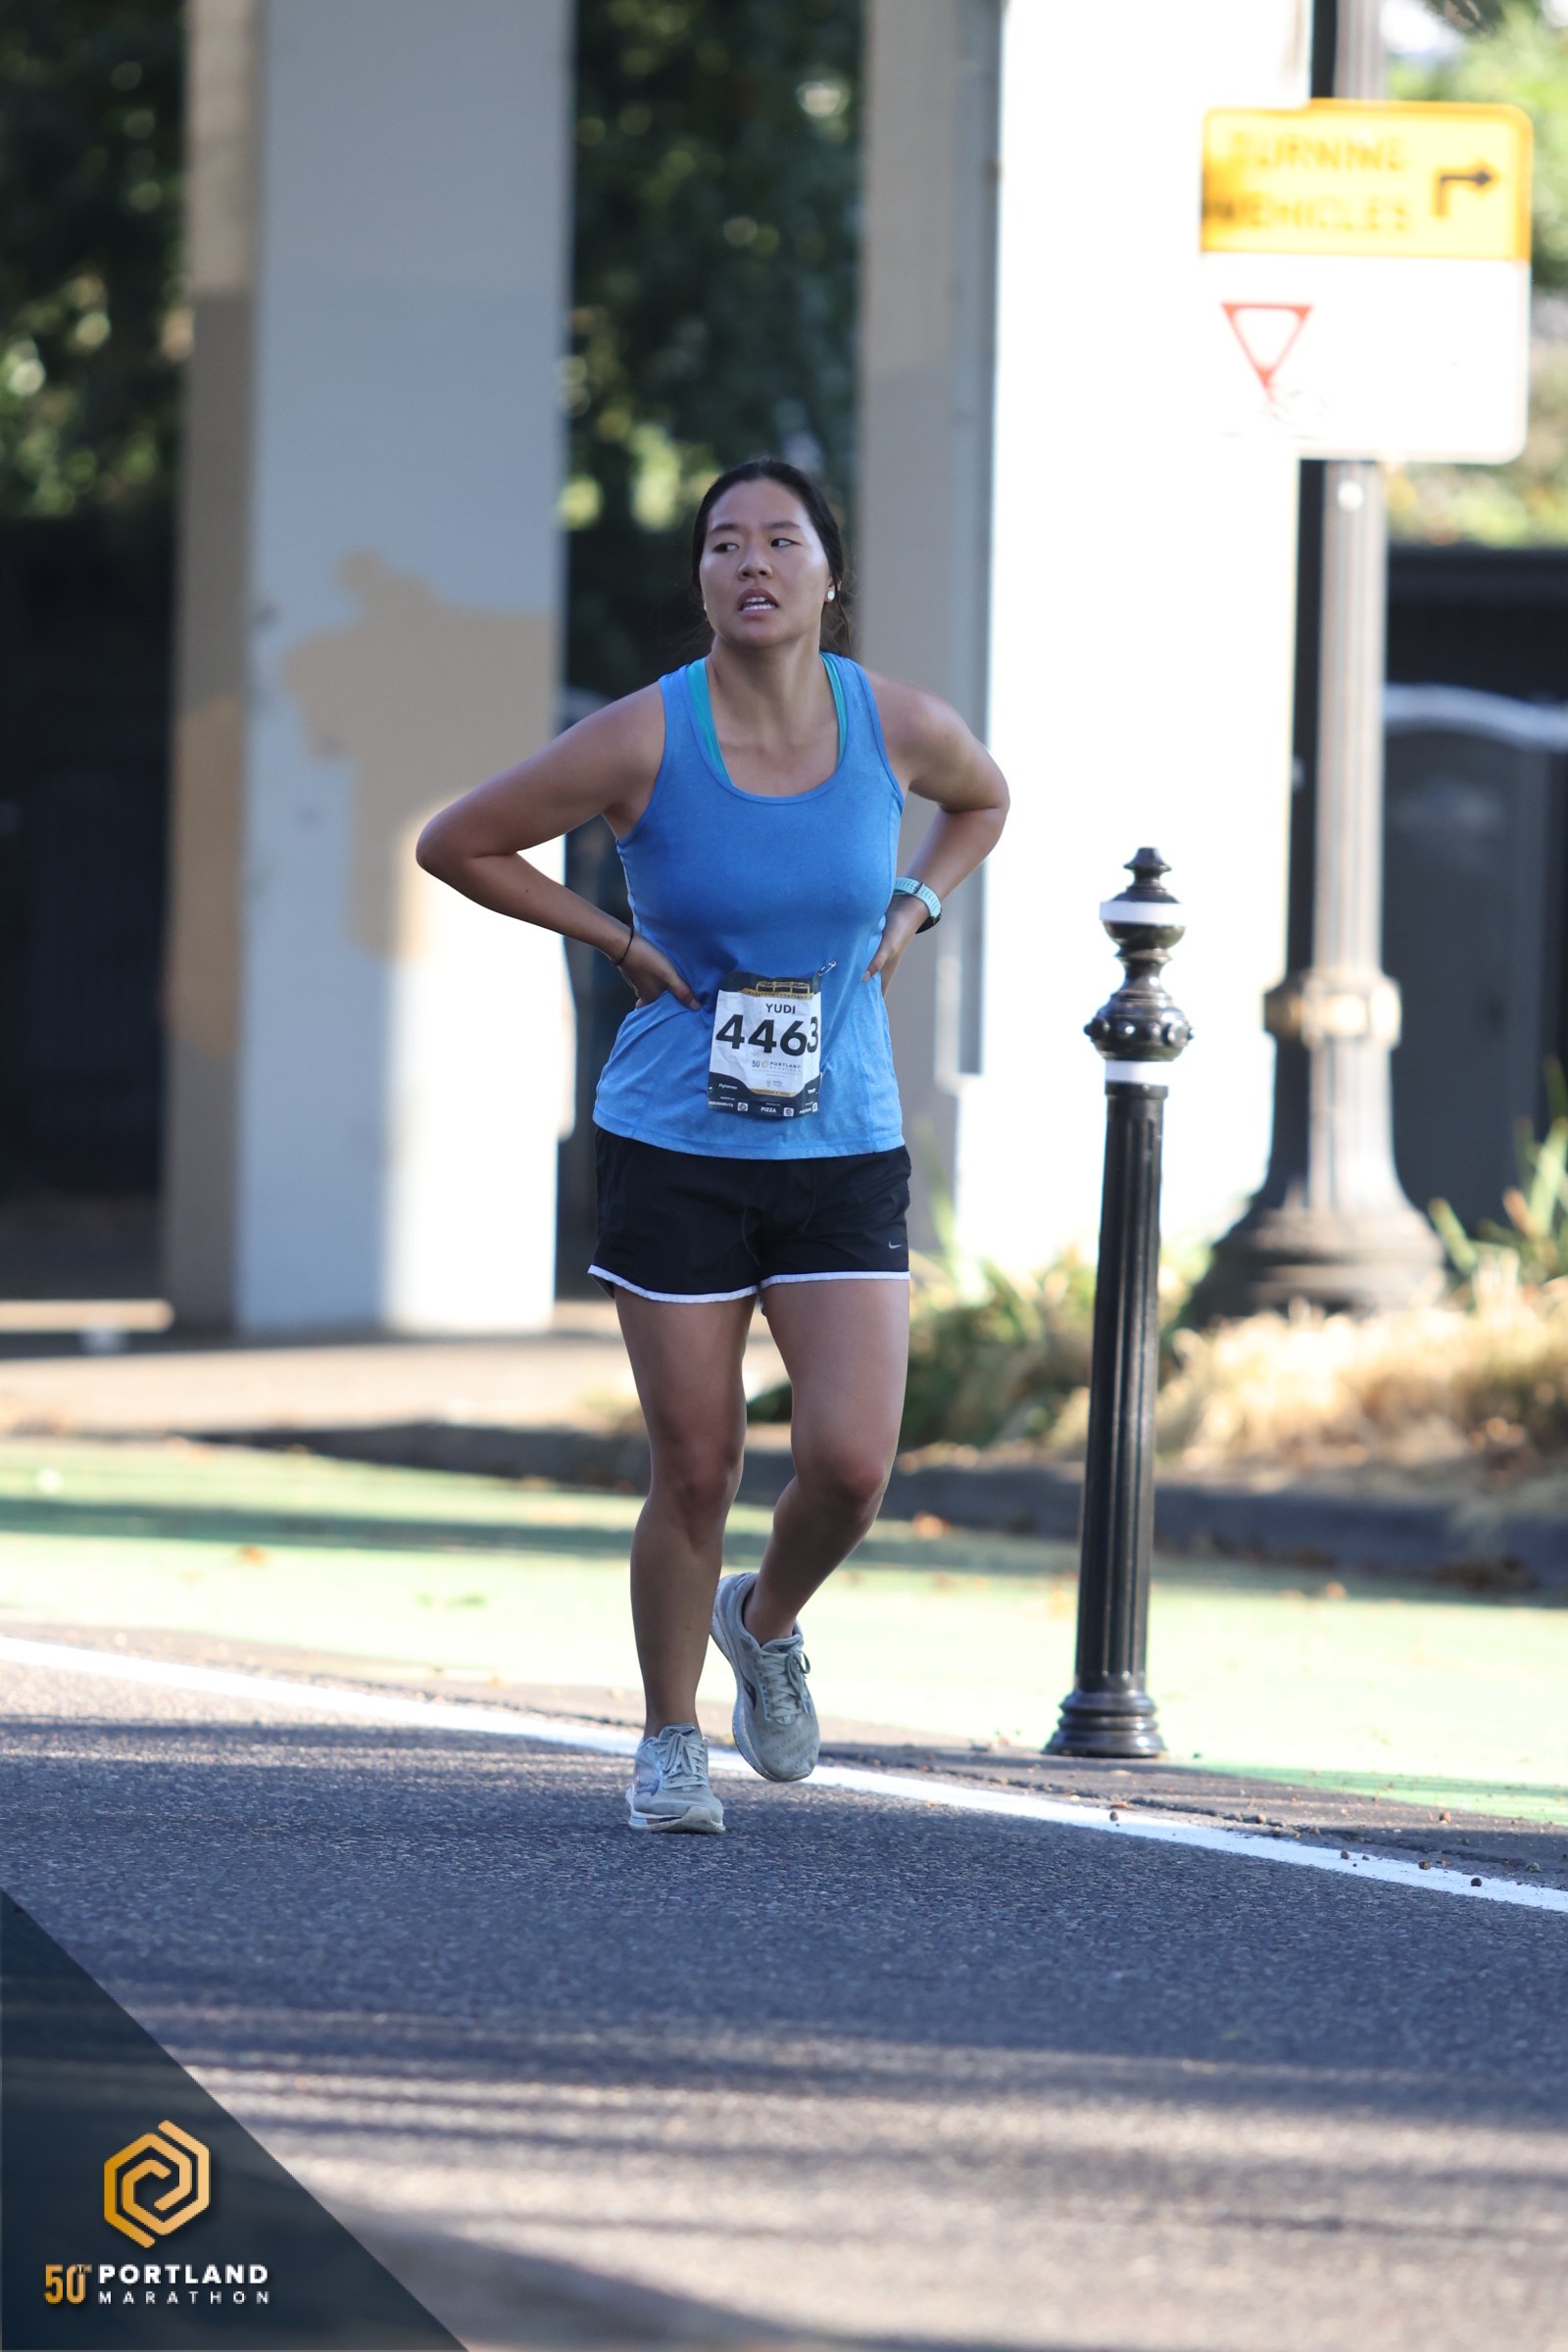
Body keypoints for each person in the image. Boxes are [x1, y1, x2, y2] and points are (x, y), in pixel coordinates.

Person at [416, 457, 1007, 1833]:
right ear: (701, 579)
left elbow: (984, 801)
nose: (754, 564)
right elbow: (460, 841)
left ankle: (765, 1616)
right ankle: (669, 1736)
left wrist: (915, 905)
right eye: (726, 543)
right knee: (697, 1467)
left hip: (840, 1143)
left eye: (782, 541)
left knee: (851, 1465)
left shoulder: (898, 725)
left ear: (829, 575)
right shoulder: (644, 736)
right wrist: (617, 941)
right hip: (675, 1143)